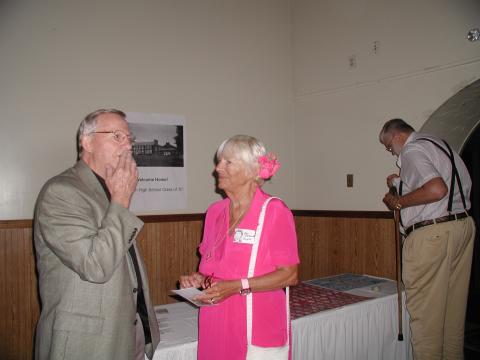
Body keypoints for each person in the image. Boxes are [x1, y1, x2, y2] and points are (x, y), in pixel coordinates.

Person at [34, 109, 160, 360]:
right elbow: (96, 266)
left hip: (126, 332)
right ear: (87, 141)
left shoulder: (108, 190)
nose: (128, 146)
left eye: (129, 138)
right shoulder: (61, 191)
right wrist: (122, 201)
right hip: (86, 342)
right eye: (116, 136)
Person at [180, 135, 299, 360]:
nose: (217, 168)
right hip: (215, 322)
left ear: (250, 170)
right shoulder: (214, 212)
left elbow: (289, 275)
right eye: (219, 162)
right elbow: (213, 272)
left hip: (255, 325)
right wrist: (198, 282)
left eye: (227, 162)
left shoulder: (274, 211)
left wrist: (236, 287)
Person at [379, 118, 476, 360]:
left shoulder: (412, 150)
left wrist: (397, 201)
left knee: (427, 323)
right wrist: (400, 184)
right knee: (451, 320)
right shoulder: (441, 145)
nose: (391, 152)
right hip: (461, 227)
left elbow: (436, 190)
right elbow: (448, 191)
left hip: (431, 236)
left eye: (389, 147)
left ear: (398, 136)